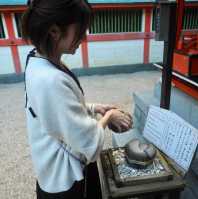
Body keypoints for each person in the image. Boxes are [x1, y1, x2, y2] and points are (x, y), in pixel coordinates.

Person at [22, 0, 133, 198]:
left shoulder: (37, 60)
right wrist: (109, 117)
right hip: (65, 180)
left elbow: (57, 110)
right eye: (80, 30)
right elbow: (87, 141)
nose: (84, 37)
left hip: (49, 171)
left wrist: (95, 107)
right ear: (54, 31)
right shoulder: (51, 79)